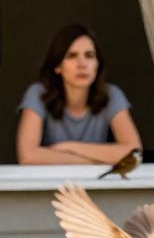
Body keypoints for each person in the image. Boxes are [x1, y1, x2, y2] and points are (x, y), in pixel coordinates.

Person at [16, 24, 142, 166]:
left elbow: (133, 151)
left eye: (89, 56)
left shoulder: (111, 95)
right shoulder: (38, 94)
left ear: (97, 64)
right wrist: (95, 161)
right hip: (51, 179)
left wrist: (69, 147)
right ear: (57, 66)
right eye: (72, 56)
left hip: (95, 180)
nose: (82, 64)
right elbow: (27, 156)